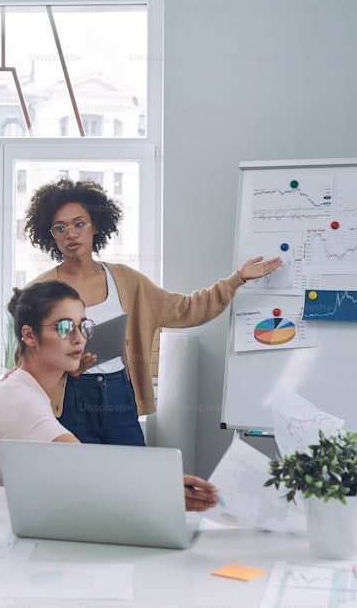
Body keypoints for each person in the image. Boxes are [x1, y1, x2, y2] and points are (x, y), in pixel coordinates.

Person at [23, 177, 283, 445]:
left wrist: (237, 279)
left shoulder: (127, 281)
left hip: (119, 392)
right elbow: (26, 365)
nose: (71, 234)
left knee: (131, 479)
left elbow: (187, 309)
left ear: (96, 225)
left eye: (79, 223)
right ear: (50, 234)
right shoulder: (40, 290)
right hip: (70, 399)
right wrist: (66, 371)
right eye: (60, 227)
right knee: (76, 480)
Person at [0, 280, 219, 511]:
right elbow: (82, 464)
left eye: (83, 327)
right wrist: (162, 486)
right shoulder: (19, 398)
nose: (79, 338)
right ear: (29, 335)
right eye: (64, 328)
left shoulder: (26, 387)